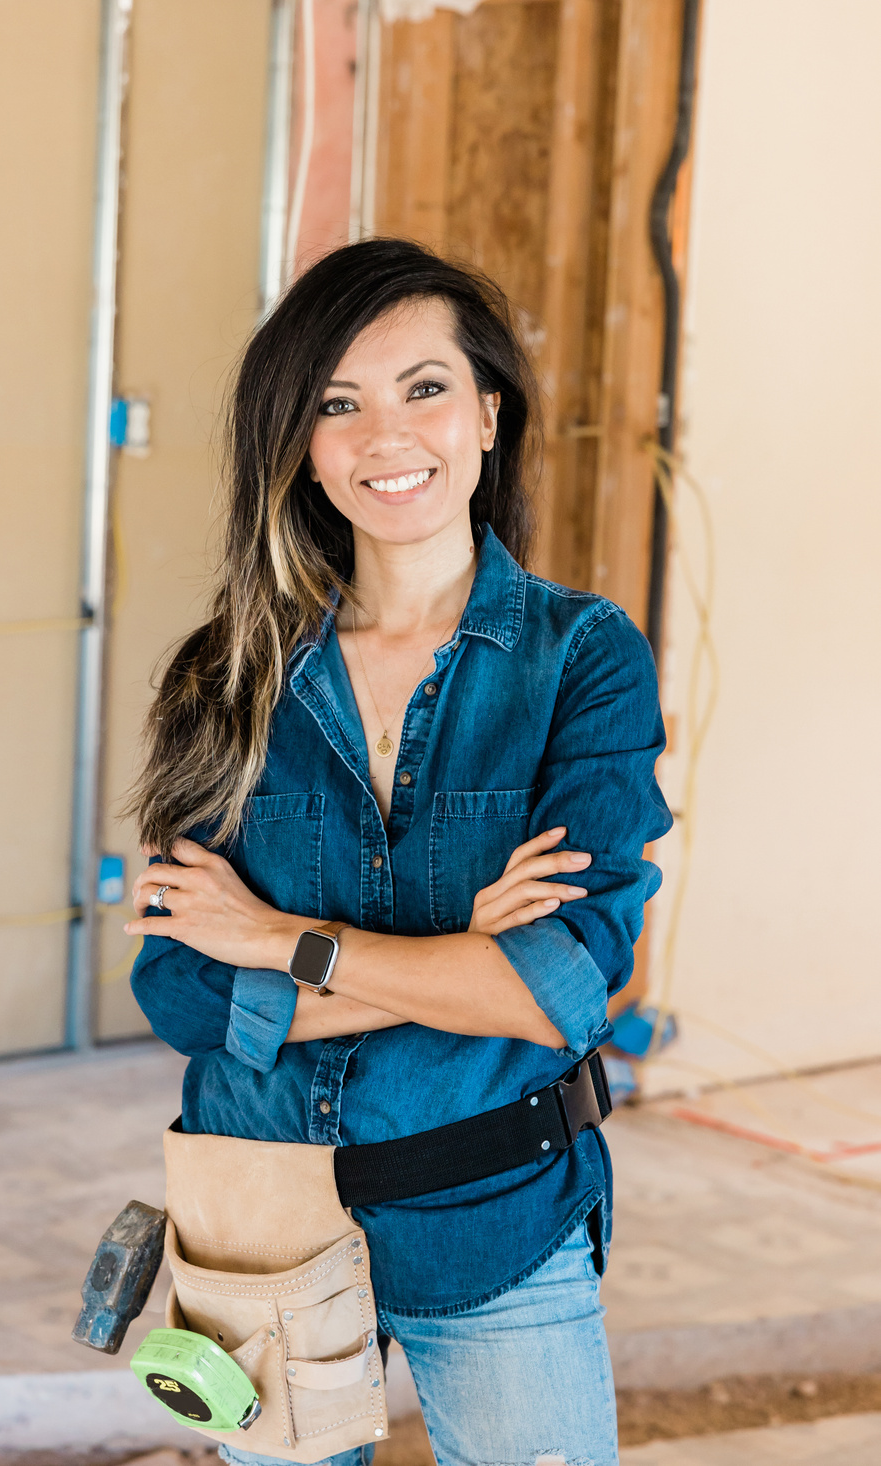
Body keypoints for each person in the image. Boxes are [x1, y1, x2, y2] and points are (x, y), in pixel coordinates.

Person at [124, 238, 672, 1466]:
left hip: (496, 1210)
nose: (386, 435)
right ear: (301, 444)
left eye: (423, 387)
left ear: (488, 412)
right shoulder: (227, 674)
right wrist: (462, 954)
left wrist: (276, 943)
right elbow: (180, 989)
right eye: (338, 403)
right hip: (258, 1216)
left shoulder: (581, 661)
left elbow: (564, 985)